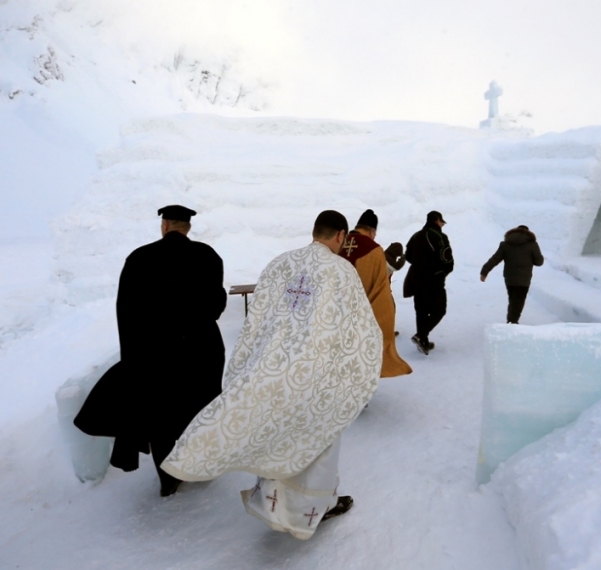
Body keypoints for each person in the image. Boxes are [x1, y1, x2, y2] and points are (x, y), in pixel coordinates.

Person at [161, 210, 382, 540]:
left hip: (276, 372)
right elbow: (359, 329)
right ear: (339, 236)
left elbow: (258, 323)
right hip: (316, 375)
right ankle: (311, 512)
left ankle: (271, 504)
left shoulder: (280, 264)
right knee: (317, 442)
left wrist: (257, 365)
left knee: (277, 435)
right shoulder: (341, 270)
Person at [74, 205, 227, 497]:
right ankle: (202, 464)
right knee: (201, 407)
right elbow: (216, 305)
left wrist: (132, 356)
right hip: (202, 349)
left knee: (162, 415)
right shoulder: (207, 256)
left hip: (156, 354)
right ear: (187, 227)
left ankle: (169, 478)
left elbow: (126, 312)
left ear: (165, 225)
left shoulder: (139, 258)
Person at [340, 209, 412, 378]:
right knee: (360, 355)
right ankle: (357, 391)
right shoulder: (374, 250)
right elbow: (381, 291)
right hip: (361, 316)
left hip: (336, 313)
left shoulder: (339, 242)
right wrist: (385, 328)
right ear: (371, 231)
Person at [403, 211, 453, 355]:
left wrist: (420, 265)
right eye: (442, 222)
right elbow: (447, 260)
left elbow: (408, 256)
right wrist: (443, 272)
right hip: (434, 279)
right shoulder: (440, 236)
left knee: (421, 310)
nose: (442, 225)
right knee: (440, 310)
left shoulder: (416, 236)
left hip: (416, 278)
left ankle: (423, 341)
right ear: (437, 221)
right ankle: (421, 335)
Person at [480, 225, 544, 324]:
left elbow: (495, 259)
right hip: (524, 278)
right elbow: (539, 262)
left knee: (513, 299)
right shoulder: (532, 244)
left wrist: (485, 271)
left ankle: (511, 320)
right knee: (519, 300)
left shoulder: (505, 244)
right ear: (527, 233)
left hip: (510, 278)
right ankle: (512, 322)